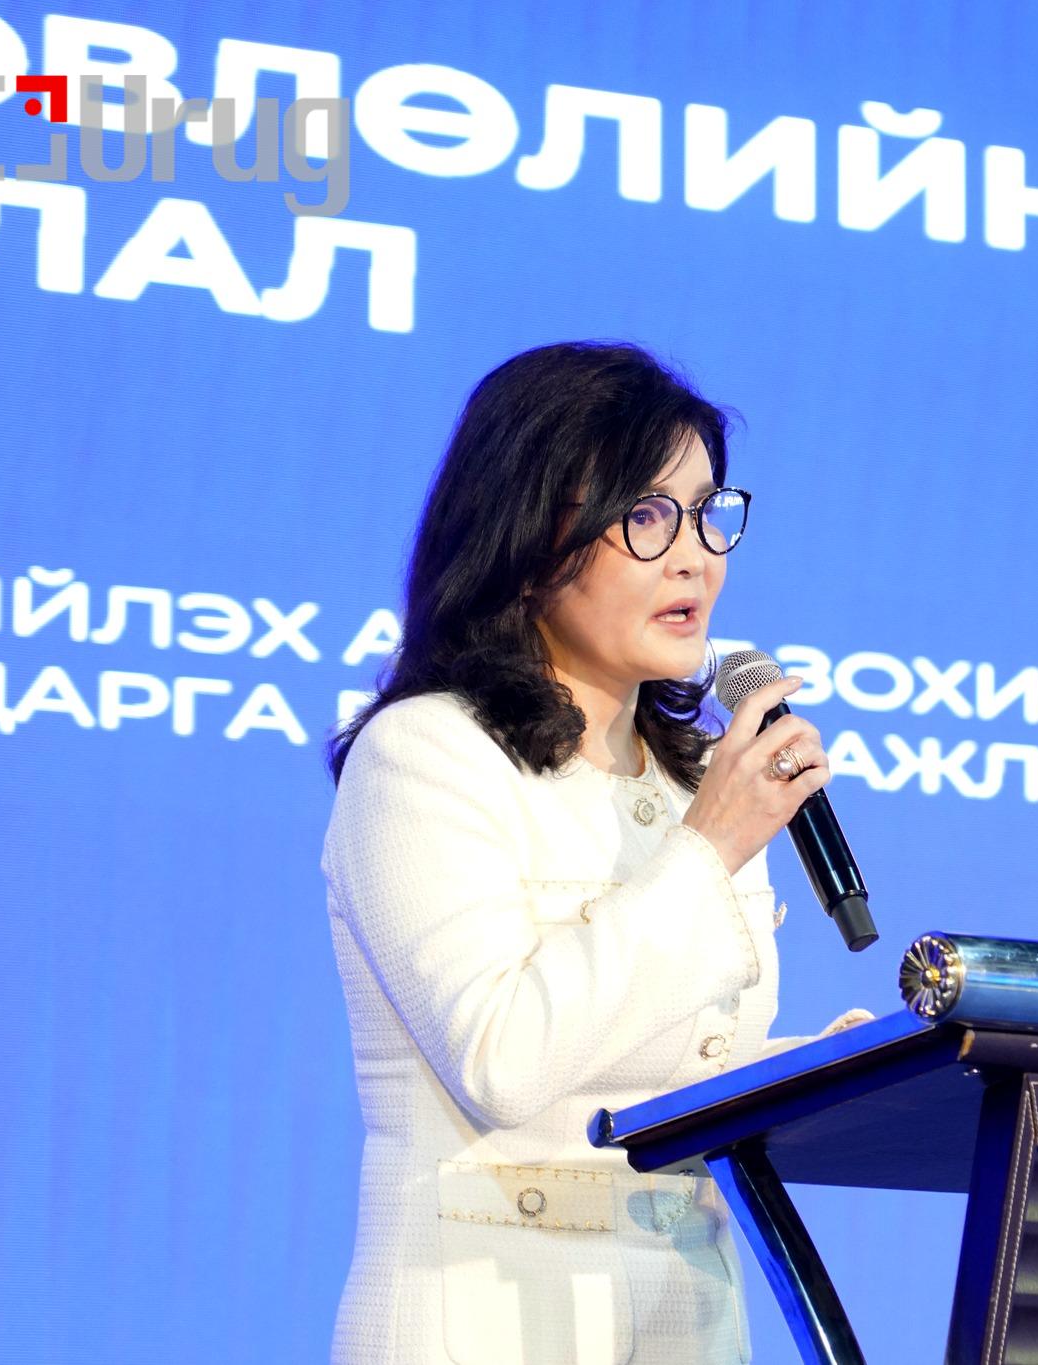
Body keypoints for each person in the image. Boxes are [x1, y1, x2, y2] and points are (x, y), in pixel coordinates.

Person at [320, 340, 873, 1364]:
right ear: (531, 535)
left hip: (681, 1326)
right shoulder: (425, 753)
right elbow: (504, 1058)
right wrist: (709, 847)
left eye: (706, 512)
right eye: (647, 515)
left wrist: (856, 1070)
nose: (695, 556)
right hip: (485, 1322)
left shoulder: (694, 783)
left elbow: (675, 1076)